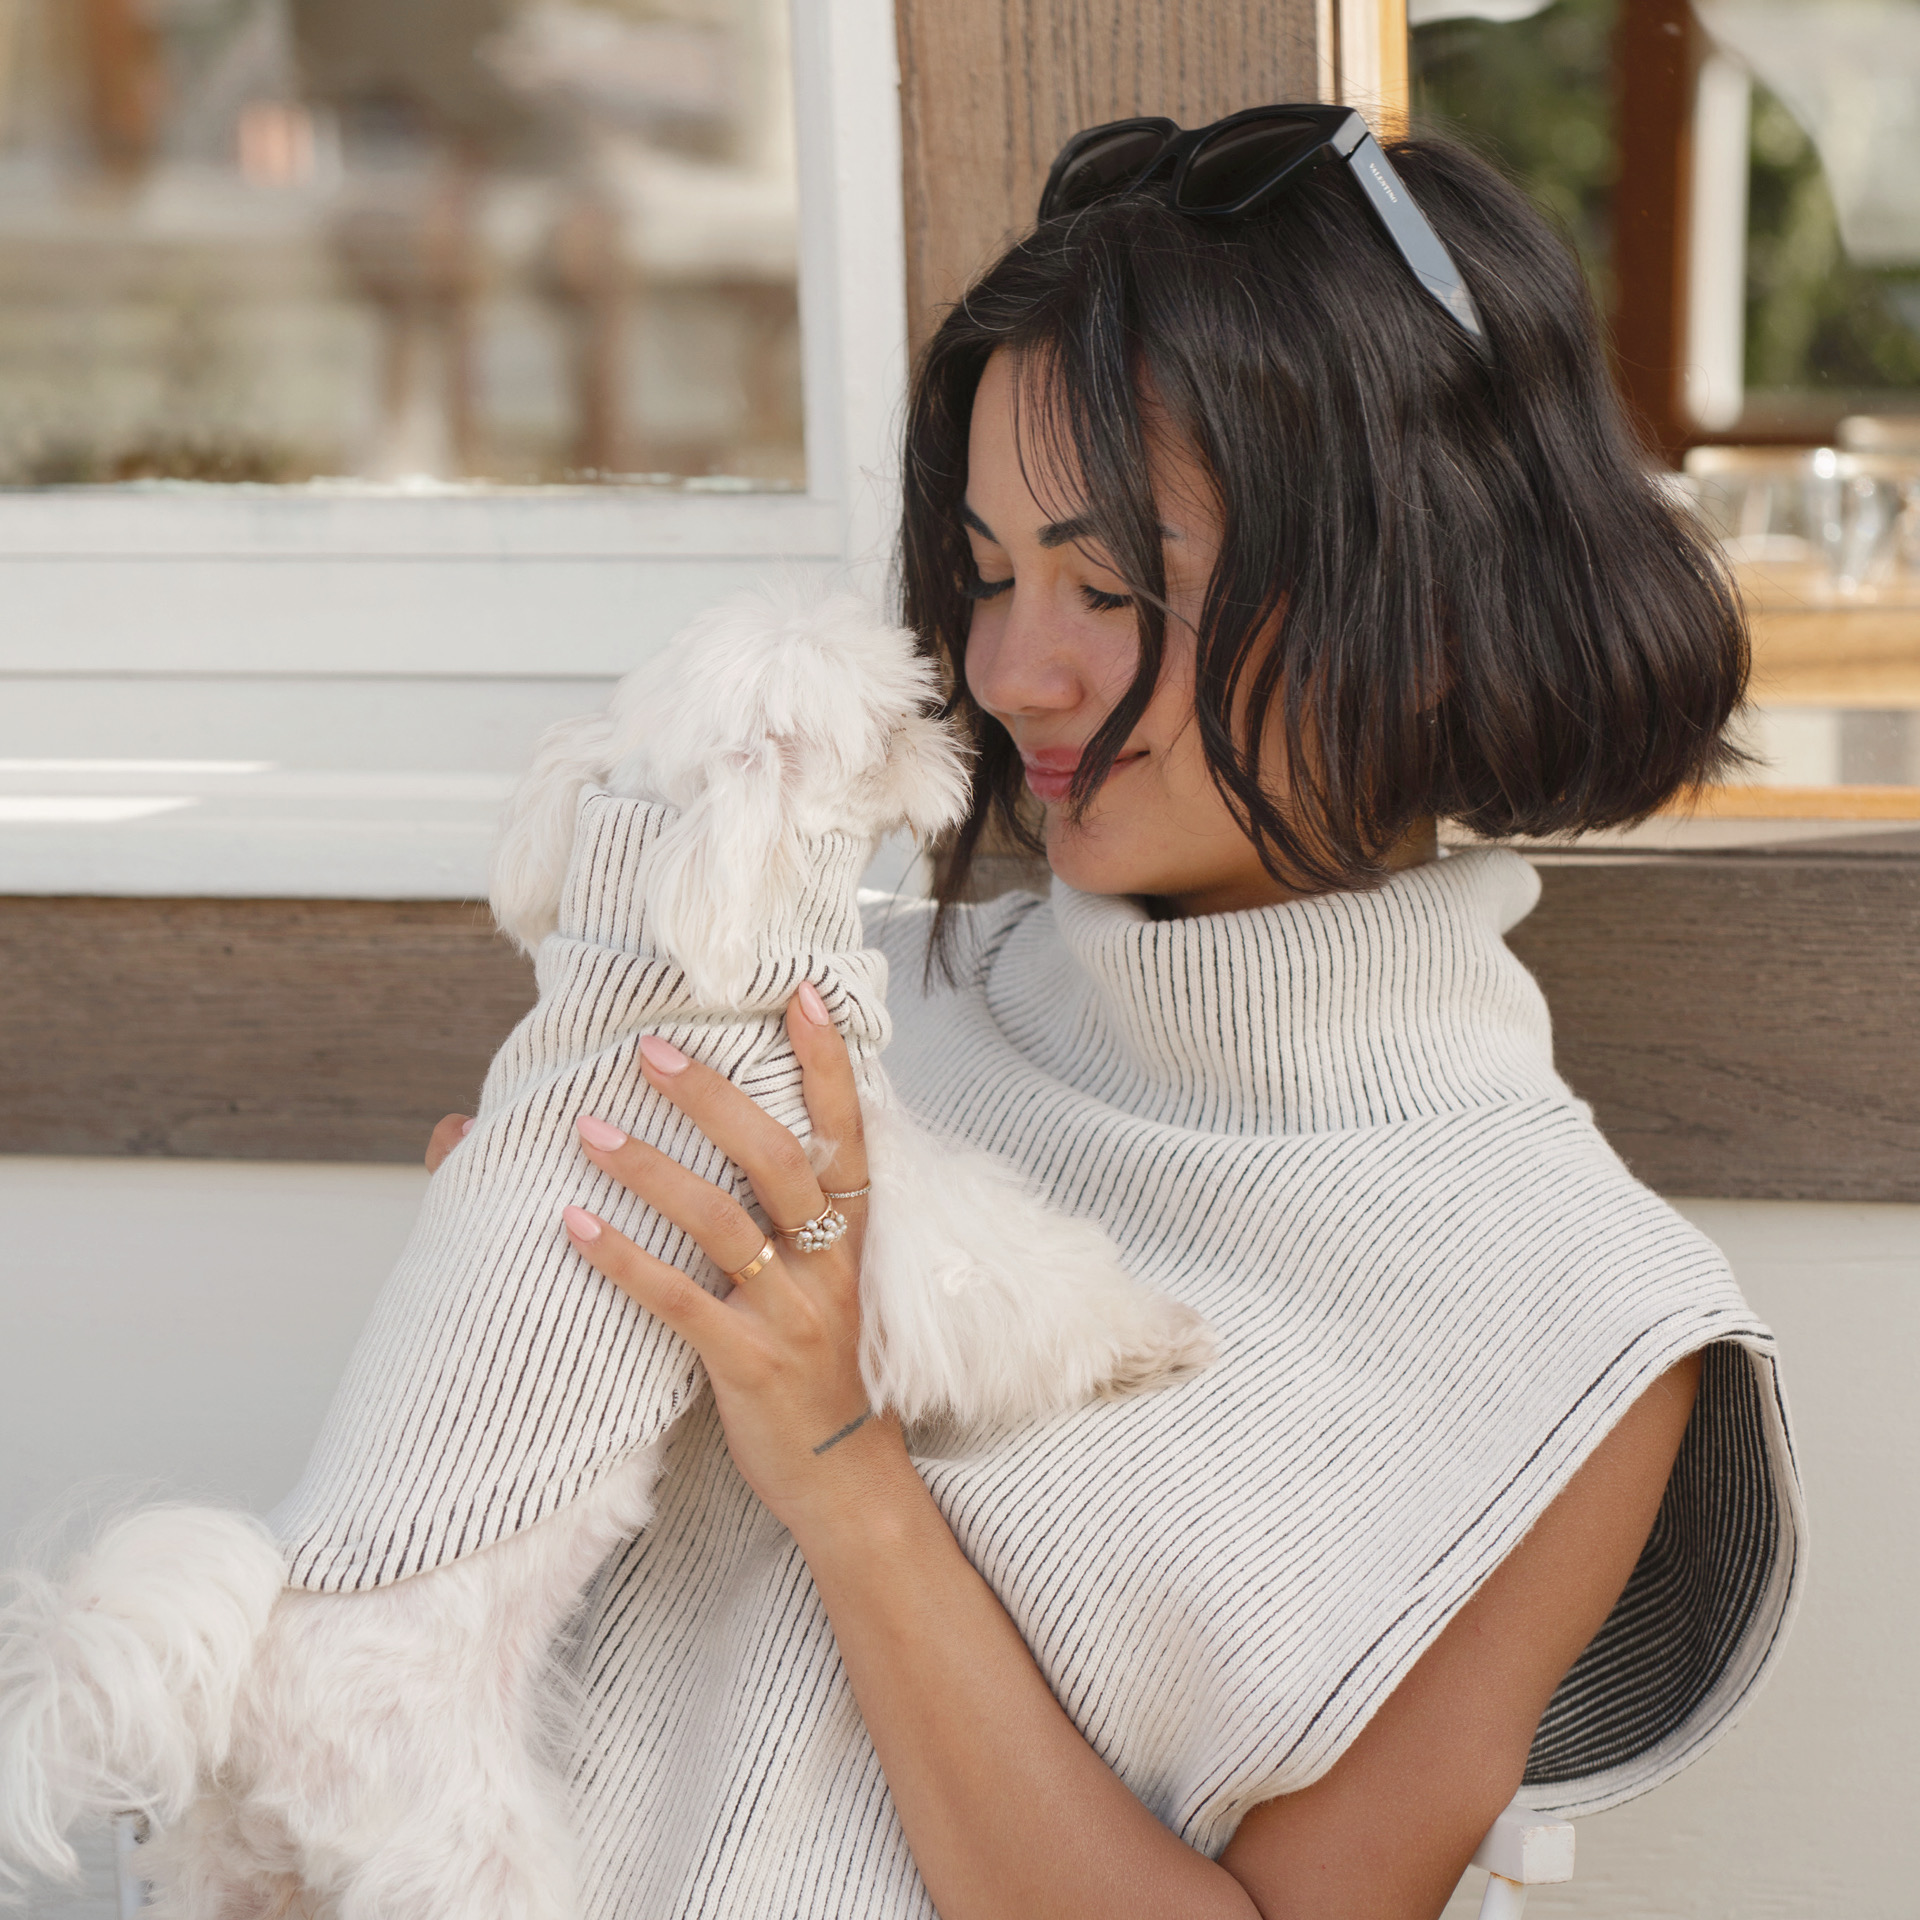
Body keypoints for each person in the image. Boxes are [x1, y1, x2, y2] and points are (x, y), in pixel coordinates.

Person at [429, 112, 1801, 1920]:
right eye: (990, 576)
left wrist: (842, 1468)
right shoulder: (848, 1014)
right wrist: (499, 1298)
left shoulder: (1585, 1326)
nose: (1010, 672)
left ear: (1434, 597)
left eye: (1115, 584)